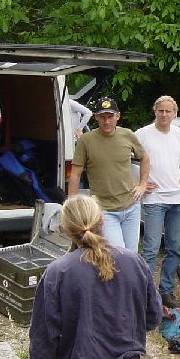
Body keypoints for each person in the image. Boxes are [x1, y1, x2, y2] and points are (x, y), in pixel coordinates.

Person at [28, 195, 162, 359]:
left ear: (66, 229)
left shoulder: (58, 272)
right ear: (102, 220)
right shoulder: (133, 261)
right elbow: (153, 317)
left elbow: (45, 330)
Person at [135, 96, 180, 308]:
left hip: (176, 199)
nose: (164, 114)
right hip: (154, 199)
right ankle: (143, 293)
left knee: (173, 248)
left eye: (168, 111)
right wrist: (139, 182)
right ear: (155, 111)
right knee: (151, 248)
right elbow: (123, 158)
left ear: (174, 114)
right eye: (160, 110)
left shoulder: (179, 134)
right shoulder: (142, 134)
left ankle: (166, 291)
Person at [67, 97, 149, 250]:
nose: (106, 121)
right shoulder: (86, 140)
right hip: (104, 210)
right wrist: (73, 205)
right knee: (117, 253)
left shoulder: (127, 135)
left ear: (118, 116)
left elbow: (144, 157)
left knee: (131, 254)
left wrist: (143, 184)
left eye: (110, 116)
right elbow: (75, 174)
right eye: (102, 117)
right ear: (96, 117)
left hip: (131, 206)